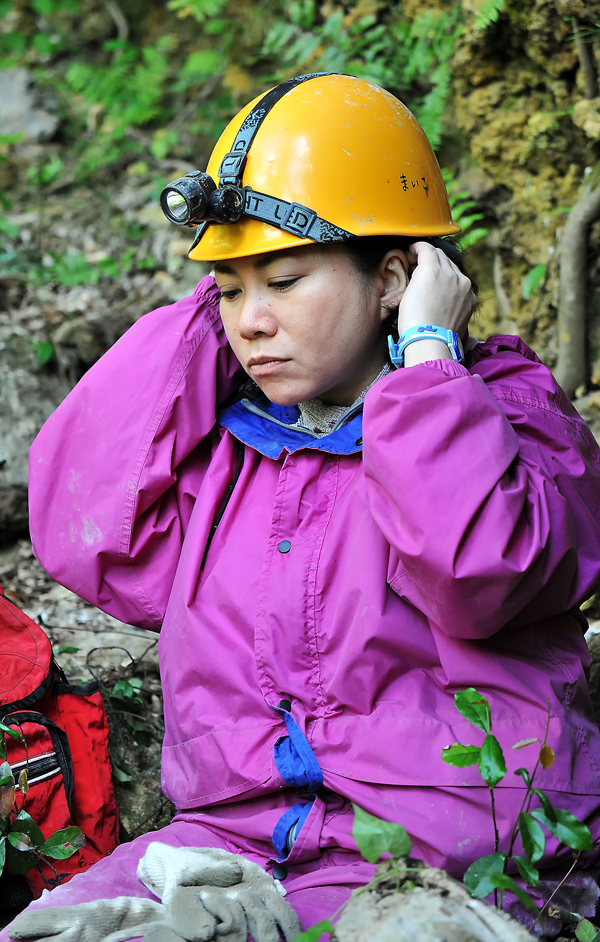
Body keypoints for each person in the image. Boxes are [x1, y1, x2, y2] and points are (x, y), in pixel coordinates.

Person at [6, 72, 600, 942]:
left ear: (397, 275)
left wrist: (428, 359)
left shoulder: (511, 416)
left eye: (283, 279)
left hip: (440, 867)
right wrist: (221, 316)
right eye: (229, 288)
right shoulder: (233, 447)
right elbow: (86, 534)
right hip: (227, 841)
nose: (250, 320)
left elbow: (481, 573)